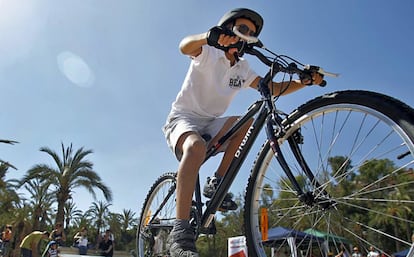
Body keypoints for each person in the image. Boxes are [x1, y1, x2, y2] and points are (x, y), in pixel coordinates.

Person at [162, 7, 324, 257]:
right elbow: (184, 46)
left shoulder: (243, 68)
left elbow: (271, 86)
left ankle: (216, 182)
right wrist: (208, 36)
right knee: (195, 147)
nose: (246, 35)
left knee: (244, 121)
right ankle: (179, 234)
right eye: (242, 29)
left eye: (251, 33)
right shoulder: (208, 52)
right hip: (183, 119)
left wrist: (302, 82)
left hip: (212, 122)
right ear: (228, 30)